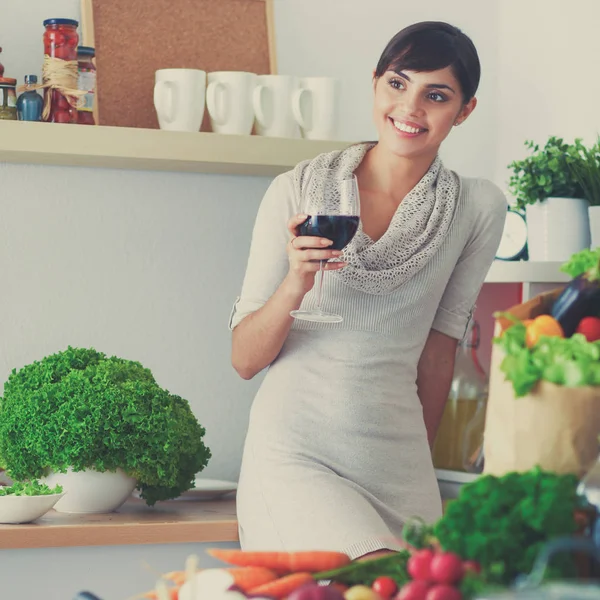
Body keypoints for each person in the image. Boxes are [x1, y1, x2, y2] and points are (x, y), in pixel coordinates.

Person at [228, 21, 507, 560]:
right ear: (376, 82)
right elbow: (243, 359)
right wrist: (296, 282)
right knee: (370, 581)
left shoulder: (477, 209)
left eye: (438, 95)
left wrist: (419, 464)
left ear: (465, 109)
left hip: (398, 463)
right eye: (398, 84)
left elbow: (438, 350)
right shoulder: (295, 191)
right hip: (297, 453)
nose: (411, 107)